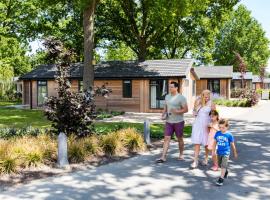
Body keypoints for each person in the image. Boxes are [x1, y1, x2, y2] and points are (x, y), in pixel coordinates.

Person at [156, 81, 188, 163]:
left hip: (179, 122)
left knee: (179, 139)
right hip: (169, 121)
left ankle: (181, 154)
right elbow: (166, 107)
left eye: (171, 87)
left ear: (176, 88)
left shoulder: (181, 98)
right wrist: (163, 115)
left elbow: (186, 109)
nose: (170, 88)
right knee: (166, 138)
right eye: (169, 87)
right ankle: (163, 157)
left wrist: (177, 111)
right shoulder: (167, 96)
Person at [190, 90, 216, 168]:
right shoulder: (197, 102)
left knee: (206, 143)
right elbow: (194, 113)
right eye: (205, 96)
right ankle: (195, 161)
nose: (206, 98)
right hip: (198, 124)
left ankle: (206, 159)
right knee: (197, 143)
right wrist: (195, 109)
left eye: (208, 96)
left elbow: (215, 115)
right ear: (202, 95)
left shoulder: (211, 103)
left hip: (206, 125)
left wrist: (213, 124)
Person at [213, 119, 238, 186]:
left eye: (223, 127)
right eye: (220, 127)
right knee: (220, 164)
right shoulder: (217, 133)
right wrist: (213, 151)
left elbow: (232, 144)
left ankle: (221, 179)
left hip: (226, 152)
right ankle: (225, 172)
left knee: (223, 165)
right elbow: (215, 142)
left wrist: (235, 152)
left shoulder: (229, 135)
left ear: (227, 127)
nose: (221, 129)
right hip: (219, 152)